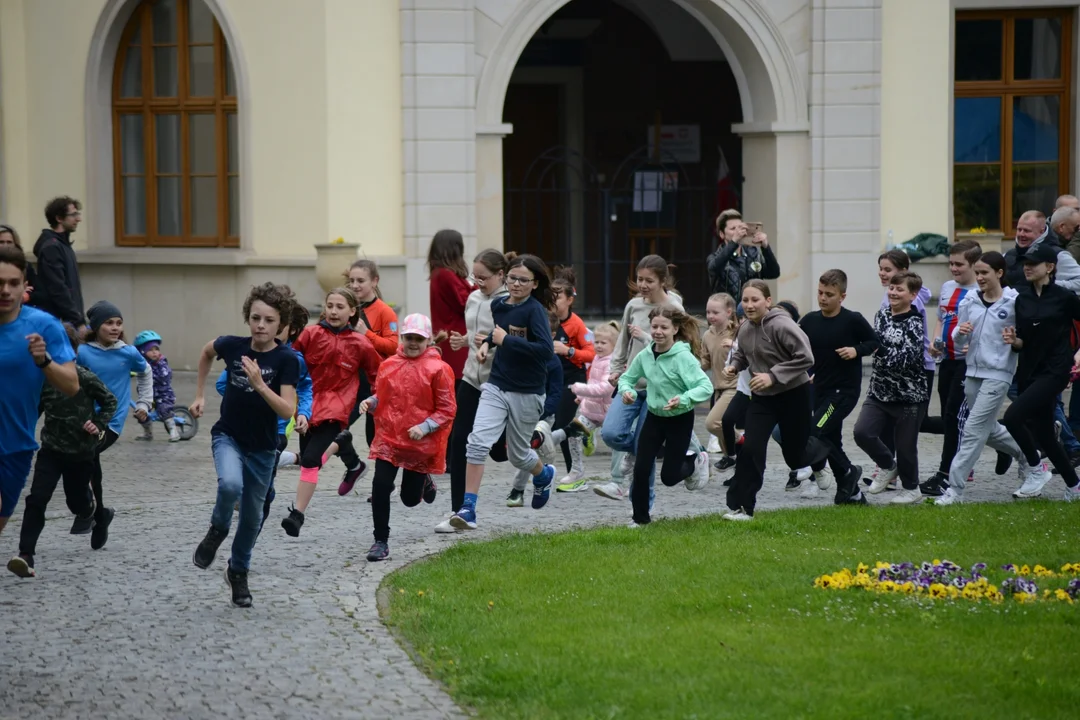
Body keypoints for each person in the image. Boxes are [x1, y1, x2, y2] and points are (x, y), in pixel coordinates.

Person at [190, 282, 300, 608]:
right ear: (247, 318)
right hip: (229, 436)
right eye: (255, 318)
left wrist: (259, 385)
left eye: (268, 320)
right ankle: (217, 529)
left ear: (281, 324)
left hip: (264, 448)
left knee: (253, 519)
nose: (261, 325)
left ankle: (238, 571)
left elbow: (287, 409)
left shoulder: (286, 359)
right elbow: (206, 351)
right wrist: (199, 394)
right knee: (229, 484)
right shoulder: (232, 345)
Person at [450, 254, 557, 530]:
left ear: (535, 284)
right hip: (496, 385)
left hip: (528, 391)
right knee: (476, 443)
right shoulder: (498, 304)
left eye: (524, 280)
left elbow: (545, 351)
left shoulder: (535, 311)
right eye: (512, 278)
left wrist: (504, 340)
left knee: (518, 456)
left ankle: (543, 474)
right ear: (505, 277)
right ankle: (468, 507)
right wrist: (487, 344)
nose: (516, 284)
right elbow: (498, 333)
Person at [8, 326, 116, 578]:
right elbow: (32, 411)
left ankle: (90, 510)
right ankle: (25, 554)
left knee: (76, 502)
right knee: (36, 499)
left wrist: (98, 424)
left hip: (80, 454)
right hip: (51, 451)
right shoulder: (41, 380)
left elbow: (110, 400)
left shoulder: (83, 377)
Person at [601, 255, 707, 501]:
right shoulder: (633, 306)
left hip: (659, 391)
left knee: (644, 451)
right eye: (639, 279)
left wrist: (647, 338)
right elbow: (623, 342)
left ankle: (642, 508)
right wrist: (615, 370)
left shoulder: (674, 309)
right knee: (611, 433)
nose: (643, 285)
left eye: (649, 280)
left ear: (662, 281)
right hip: (631, 383)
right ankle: (637, 452)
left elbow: (681, 351)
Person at [280, 287, 381, 536]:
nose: (333, 311)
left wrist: (376, 398)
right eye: (330, 306)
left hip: (337, 410)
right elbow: (289, 362)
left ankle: (297, 514)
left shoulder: (360, 343)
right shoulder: (310, 335)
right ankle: (344, 446)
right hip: (307, 408)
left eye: (340, 307)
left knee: (311, 460)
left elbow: (378, 374)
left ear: (352, 312)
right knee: (307, 459)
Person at [935, 252, 1032, 505]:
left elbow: (1024, 340)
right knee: (987, 429)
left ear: (999, 273)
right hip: (972, 371)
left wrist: (1016, 341)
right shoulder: (970, 300)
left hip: (999, 374)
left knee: (972, 429)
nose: (979, 278)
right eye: (977, 273)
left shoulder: (1014, 301)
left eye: (984, 273)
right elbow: (959, 335)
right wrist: (960, 331)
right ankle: (1029, 455)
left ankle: (954, 489)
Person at [356, 314, 454, 561]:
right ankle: (380, 540)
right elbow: (382, 396)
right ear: (402, 337)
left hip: (419, 444)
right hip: (389, 438)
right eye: (409, 337)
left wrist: (425, 427)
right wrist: (370, 402)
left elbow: (447, 409)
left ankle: (424, 481)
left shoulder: (439, 369)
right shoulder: (388, 365)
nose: (413, 343)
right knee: (380, 485)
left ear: (428, 340)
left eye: (418, 339)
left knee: (410, 500)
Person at [0, 245, 78, 540]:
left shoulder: (44, 326)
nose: (5, 290)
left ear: (24, 287)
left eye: (13, 283)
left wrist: (44, 361)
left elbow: (71, 385)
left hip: (15, 445)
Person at [219, 303, 313, 532]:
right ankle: (255, 495)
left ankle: (254, 523)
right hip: (243, 424)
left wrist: (303, 412)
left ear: (289, 329)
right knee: (240, 470)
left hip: (277, 429)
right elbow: (222, 383)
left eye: (274, 323)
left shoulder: (293, 360)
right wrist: (249, 395)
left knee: (262, 482)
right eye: (260, 320)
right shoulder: (246, 353)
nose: (264, 327)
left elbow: (305, 389)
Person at [619, 305, 713, 526]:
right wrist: (628, 392)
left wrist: (684, 399)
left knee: (669, 478)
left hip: (680, 419)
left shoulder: (683, 357)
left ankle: (695, 459)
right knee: (641, 468)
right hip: (654, 417)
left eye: (664, 327)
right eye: (654, 326)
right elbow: (626, 379)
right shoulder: (645, 355)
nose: (658, 331)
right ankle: (640, 519)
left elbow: (705, 386)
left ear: (675, 329)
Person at [438, 249, 511, 533]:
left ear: (500, 275)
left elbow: (504, 337)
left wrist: (488, 345)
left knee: (501, 452)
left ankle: (534, 443)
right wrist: (465, 340)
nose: (478, 282)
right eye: (475, 277)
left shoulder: (508, 302)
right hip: (471, 377)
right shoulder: (473, 298)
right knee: (459, 442)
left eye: (484, 277)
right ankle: (461, 512)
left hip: (499, 381)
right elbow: (477, 332)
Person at [1001, 244, 1080, 501]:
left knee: (1013, 417)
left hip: (1055, 370)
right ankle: (1074, 486)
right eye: (1025, 263)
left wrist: (1078, 354)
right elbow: (1024, 341)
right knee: (1045, 434)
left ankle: (1036, 468)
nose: (1027, 267)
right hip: (1028, 371)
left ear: (1049, 267)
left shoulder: (1064, 297)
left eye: (1033, 263)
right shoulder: (1021, 299)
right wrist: (1014, 341)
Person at [71, 301, 153, 547]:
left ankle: (88, 510)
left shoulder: (128, 352)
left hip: (112, 422)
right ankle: (99, 514)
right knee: (87, 460)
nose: (115, 327)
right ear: (96, 327)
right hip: (84, 419)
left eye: (118, 323)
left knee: (87, 455)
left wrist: (144, 404)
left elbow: (146, 372)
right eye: (109, 323)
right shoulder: (83, 352)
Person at [797, 269, 877, 501]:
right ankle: (851, 493)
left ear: (842, 296)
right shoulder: (810, 320)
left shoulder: (852, 320)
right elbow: (799, 349)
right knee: (831, 439)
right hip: (819, 390)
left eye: (829, 294)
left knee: (815, 431)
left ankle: (850, 471)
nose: (823, 298)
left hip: (843, 392)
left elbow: (874, 342)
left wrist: (856, 350)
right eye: (820, 293)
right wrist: (806, 372)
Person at [855, 272, 930, 505]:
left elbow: (909, 358)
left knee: (906, 446)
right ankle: (888, 466)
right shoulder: (882, 315)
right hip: (879, 391)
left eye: (899, 289)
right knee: (862, 432)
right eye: (891, 288)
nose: (893, 293)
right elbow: (873, 343)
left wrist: (879, 350)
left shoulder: (915, 321)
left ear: (913, 295)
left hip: (909, 396)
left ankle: (911, 488)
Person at [920, 241, 982, 497]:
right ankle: (1010, 441)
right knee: (949, 417)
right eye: (951, 263)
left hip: (968, 364)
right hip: (946, 361)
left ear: (974, 265)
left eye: (959, 264)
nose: (953, 269)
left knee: (956, 415)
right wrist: (936, 343)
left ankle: (947, 474)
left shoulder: (981, 290)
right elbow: (941, 319)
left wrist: (976, 346)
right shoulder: (947, 287)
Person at [508, 312, 564, 504]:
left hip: (544, 416)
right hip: (522, 413)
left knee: (536, 448)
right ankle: (567, 433)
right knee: (527, 451)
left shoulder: (554, 363)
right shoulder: (522, 356)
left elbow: (556, 394)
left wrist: (542, 412)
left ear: (553, 336)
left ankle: (518, 489)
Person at [549, 266, 595, 490]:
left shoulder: (576, 324)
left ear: (569, 300)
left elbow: (592, 353)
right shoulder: (544, 319)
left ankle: (576, 476)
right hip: (550, 379)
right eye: (550, 297)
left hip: (572, 380)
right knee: (544, 426)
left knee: (562, 424)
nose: (553, 302)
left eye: (557, 297)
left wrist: (569, 351)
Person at [345, 259, 399, 447]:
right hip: (350, 380)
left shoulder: (386, 312)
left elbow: (393, 346)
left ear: (374, 281)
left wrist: (366, 334)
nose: (354, 285)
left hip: (376, 381)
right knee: (337, 427)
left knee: (373, 439)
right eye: (351, 281)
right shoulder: (346, 308)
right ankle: (353, 465)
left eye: (360, 281)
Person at [566, 321, 622, 497]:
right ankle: (576, 470)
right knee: (573, 434)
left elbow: (605, 388)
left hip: (610, 413)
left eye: (603, 343)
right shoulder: (597, 359)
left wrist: (579, 388)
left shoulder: (613, 363)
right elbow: (593, 382)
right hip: (591, 411)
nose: (598, 346)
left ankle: (622, 480)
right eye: (596, 342)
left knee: (618, 447)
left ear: (614, 345)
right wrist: (582, 397)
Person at [32, 196, 86, 332]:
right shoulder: (52, 248)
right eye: (73, 215)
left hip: (67, 321)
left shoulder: (63, 246)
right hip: (60, 323)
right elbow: (58, 289)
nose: (78, 219)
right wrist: (78, 322)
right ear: (59, 218)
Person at [427, 229, 474, 381]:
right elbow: (465, 302)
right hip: (456, 340)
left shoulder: (438, 273)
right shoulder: (446, 275)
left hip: (450, 339)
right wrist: (480, 284)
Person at [706, 209, 781, 298]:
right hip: (730, 309)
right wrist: (734, 242)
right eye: (733, 229)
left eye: (740, 227)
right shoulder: (715, 257)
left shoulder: (754, 254)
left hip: (753, 307)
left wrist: (765, 248)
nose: (738, 231)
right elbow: (714, 268)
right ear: (722, 234)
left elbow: (774, 273)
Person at [701, 293, 740, 466]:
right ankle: (736, 466)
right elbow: (705, 362)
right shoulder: (707, 335)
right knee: (723, 434)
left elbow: (749, 353)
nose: (710, 316)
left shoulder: (737, 331)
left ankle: (741, 440)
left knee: (712, 423)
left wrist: (735, 345)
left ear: (729, 312)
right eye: (708, 312)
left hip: (735, 386)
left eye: (715, 312)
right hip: (717, 387)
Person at [1004, 210, 1080, 292]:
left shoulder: (1058, 255)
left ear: (1041, 231)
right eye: (1019, 230)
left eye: (1027, 231)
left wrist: (1047, 285)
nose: (1021, 234)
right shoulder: (1008, 255)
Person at [133, 330, 180, 442]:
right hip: (149, 395)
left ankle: (174, 431)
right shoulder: (142, 363)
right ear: (142, 351)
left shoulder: (161, 362)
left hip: (163, 394)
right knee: (141, 412)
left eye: (156, 349)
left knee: (164, 410)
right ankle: (148, 433)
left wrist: (151, 376)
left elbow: (165, 375)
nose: (154, 353)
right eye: (150, 350)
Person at [0, 223, 37, 303]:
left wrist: (24, 294)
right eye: (1, 242)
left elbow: (38, 292)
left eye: (9, 242)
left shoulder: (26, 266)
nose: (5, 245)